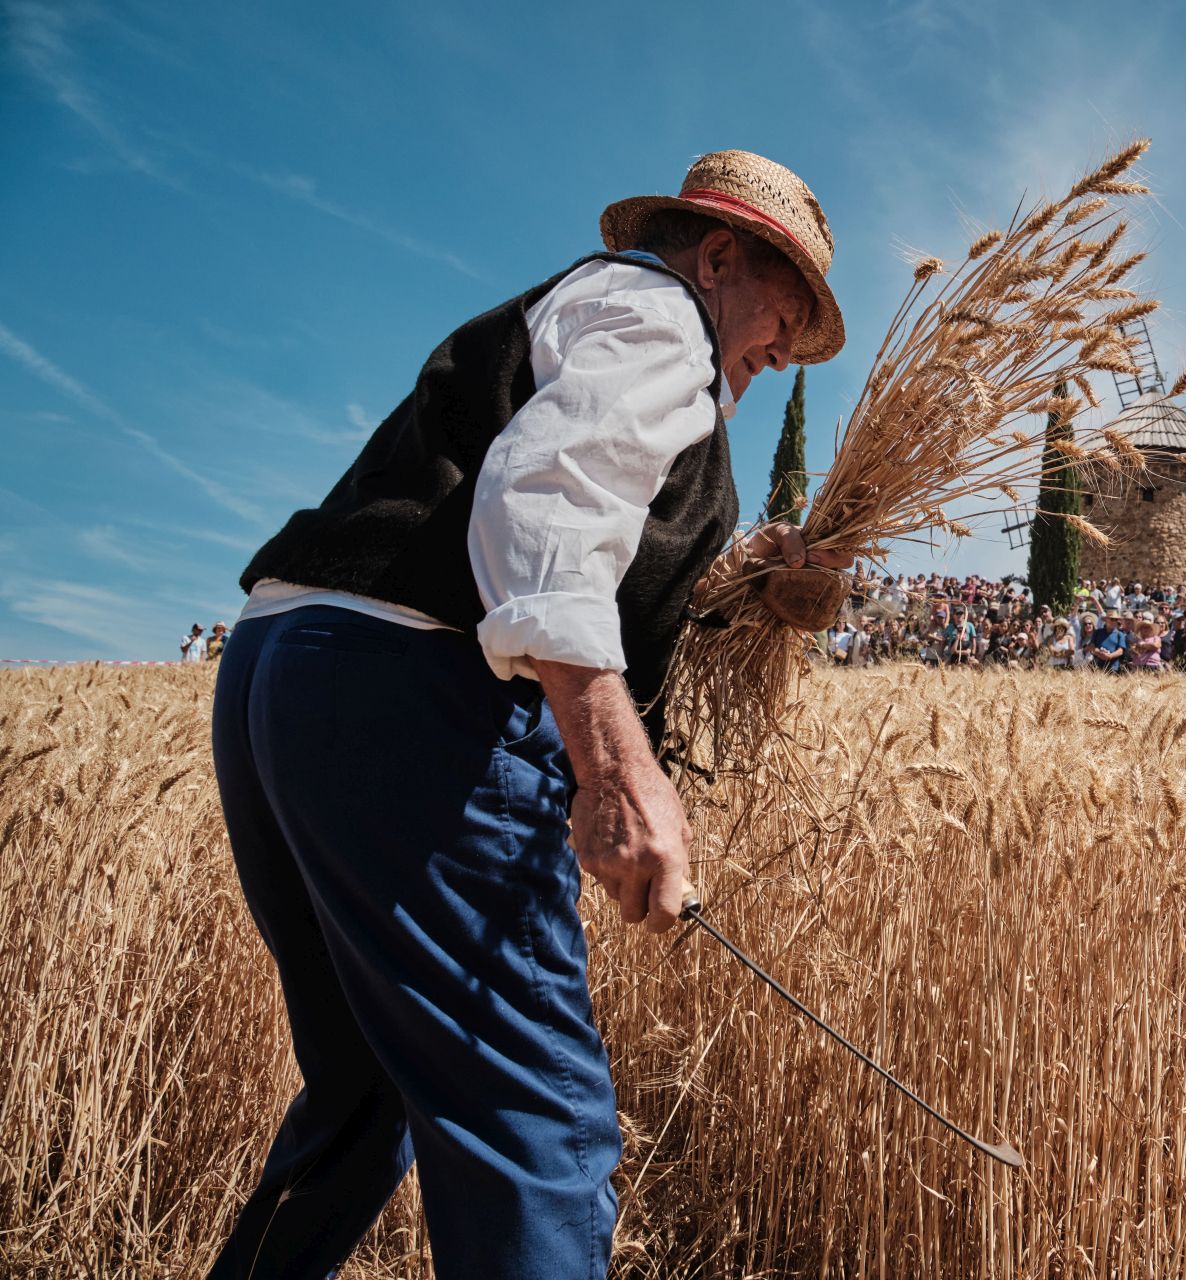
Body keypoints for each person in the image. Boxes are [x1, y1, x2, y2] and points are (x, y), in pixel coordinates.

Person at [208, 151, 848, 1277]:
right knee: (537, 1125)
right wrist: (611, 762)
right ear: (716, 258)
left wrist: (743, 588)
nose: (781, 351)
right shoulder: (660, 316)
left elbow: (583, 524)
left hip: (287, 665)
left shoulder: (599, 316)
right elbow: (548, 494)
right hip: (412, 698)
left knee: (363, 1089)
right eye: (783, 316)